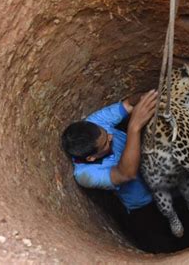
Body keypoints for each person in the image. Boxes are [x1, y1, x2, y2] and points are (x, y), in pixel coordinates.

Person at [61, 90, 177, 252]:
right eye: (105, 143)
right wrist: (134, 127)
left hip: (161, 180)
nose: (110, 136)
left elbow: (129, 104)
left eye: (106, 133)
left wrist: (149, 95)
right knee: (160, 241)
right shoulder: (85, 175)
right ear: (91, 158)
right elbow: (125, 173)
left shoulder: (95, 123)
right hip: (145, 206)